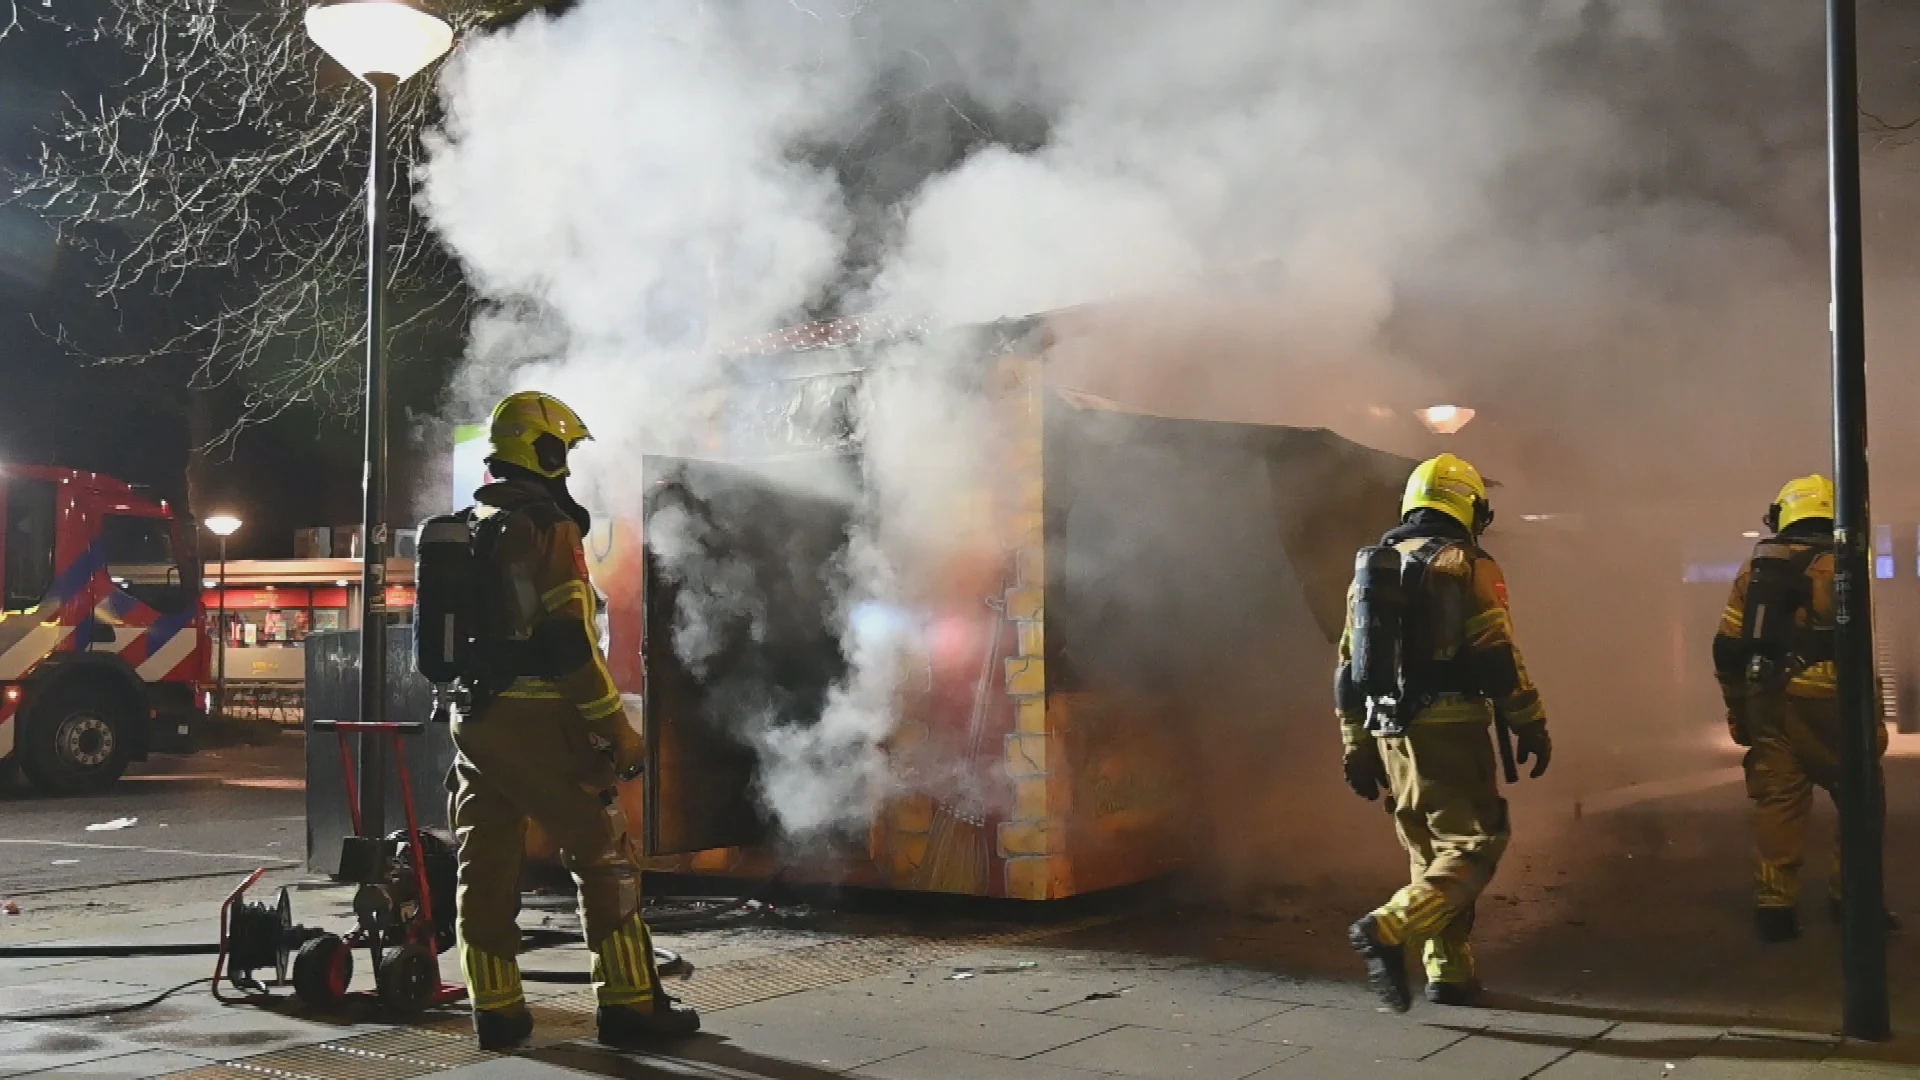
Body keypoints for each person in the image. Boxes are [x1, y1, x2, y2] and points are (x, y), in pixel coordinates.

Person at [451, 390, 699, 1050]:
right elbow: (568, 642)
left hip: (475, 720)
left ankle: (496, 1012)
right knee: (605, 855)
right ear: (546, 449)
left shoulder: (470, 521)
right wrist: (615, 726)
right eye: (563, 450)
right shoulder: (546, 526)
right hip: (540, 723)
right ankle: (630, 1006)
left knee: (486, 864)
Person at [1337, 453, 1550, 1011]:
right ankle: (1389, 926)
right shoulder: (1468, 564)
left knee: (1429, 850)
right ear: (1471, 507)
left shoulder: (1373, 569)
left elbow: (1346, 670)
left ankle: (1448, 968)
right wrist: (1531, 722)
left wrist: (1356, 744)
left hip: (1390, 731)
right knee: (1475, 842)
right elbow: (1498, 656)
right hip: (1451, 726)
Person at [1712, 474, 1891, 942]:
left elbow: (1728, 647)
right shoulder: (1846, 566)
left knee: (1779, 801)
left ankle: (1775, 909)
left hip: (1771, 703)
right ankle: (1853, 903)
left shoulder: (1754, 570)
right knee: (1862, 799)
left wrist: (1739, 712)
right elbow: (1857, 647)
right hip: (1837, 707)